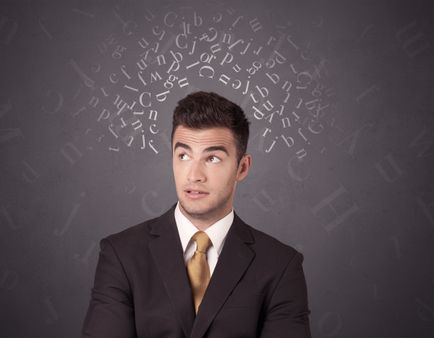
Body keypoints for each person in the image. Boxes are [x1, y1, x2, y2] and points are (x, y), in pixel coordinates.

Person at [82, 91, 312, 337]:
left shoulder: (281, 266)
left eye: (212, 158)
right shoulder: (121, 254)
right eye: (183, 155)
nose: (194, 175)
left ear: (242, 168)